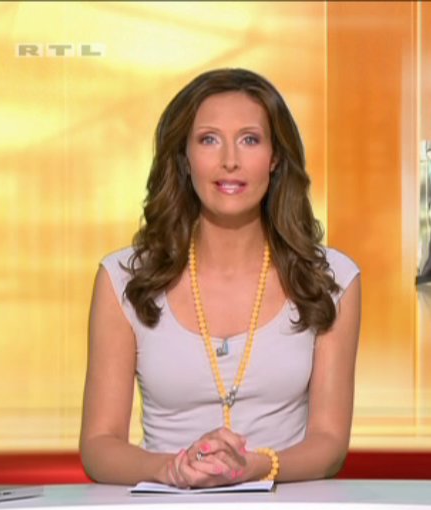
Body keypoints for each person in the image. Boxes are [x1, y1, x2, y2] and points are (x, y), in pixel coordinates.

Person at [79, 68, 362, 488]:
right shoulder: (122, 279)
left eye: (250, 139)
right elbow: (99, 446)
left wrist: (256, 467)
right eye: (209, 140)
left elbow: (329, 444)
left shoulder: (332, 279)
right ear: (184, 157)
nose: (230, 160)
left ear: (275, 157)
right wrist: (170, 469)